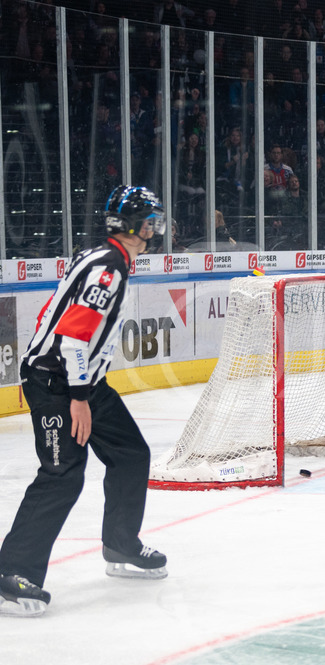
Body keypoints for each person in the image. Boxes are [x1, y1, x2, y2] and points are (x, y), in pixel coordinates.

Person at [0, 186, 169, 618]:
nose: (155, 226)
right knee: (62, 475)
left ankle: (120, 544)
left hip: (83, 381)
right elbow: (73, 335)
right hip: (58, 384)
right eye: (148, 219)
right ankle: (11, 571)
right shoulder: (108, 269)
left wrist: (84, 389)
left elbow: (52, 314)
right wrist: (77, 399)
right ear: (130, 225)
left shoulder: (103, 256)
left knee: (131, 454)